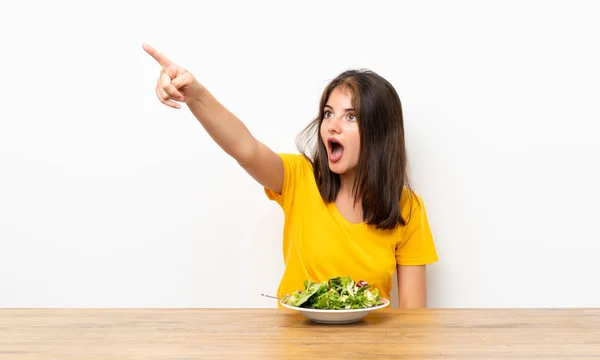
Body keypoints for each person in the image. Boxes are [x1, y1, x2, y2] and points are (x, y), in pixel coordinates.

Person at [142, 43, 438, 308]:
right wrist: (196, 95)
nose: (332, 126)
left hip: (370, 349)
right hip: (295, 345)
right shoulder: (300, 177)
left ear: (380, 133)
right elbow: (246, 150)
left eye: (351, 116)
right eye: (328, 113)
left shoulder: (407, 208)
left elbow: (413, 317)